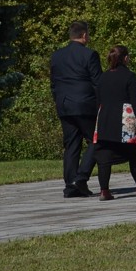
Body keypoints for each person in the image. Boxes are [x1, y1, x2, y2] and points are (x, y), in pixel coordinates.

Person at [92, 45, 136, 200]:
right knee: (133, 153)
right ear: (126, 58)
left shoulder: (102, 77)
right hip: (125, 119)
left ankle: (104, 191)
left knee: (104, 156)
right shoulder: (130, 76)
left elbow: (98, 101)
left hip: (105, 119)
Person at [49, 20, 102, 198]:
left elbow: (53, 83)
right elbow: (98, 83)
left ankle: (70, 185)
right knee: (96, 140)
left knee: (71, 145)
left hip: (64, 105)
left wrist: (58, 100)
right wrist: (102, 104)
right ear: (84, 35)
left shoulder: (57, 56)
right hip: (85, 104)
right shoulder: (90, 55)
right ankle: (81, 177)